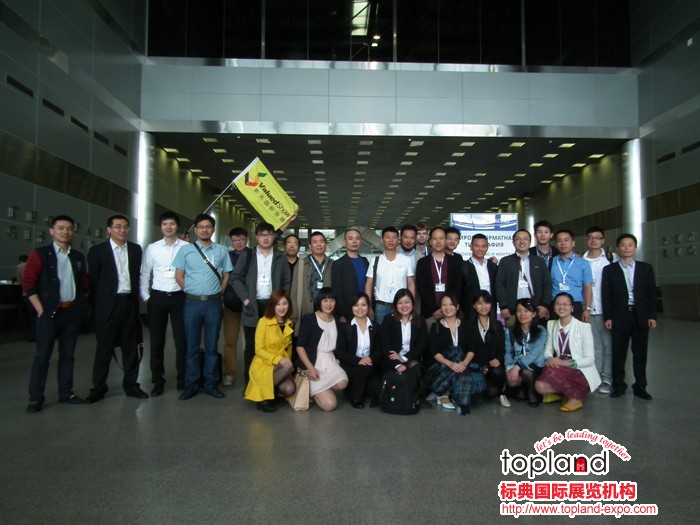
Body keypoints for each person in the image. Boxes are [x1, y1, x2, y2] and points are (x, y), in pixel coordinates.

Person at [23, 215, 89, 412]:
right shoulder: (40, 254)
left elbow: (84, 284)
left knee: (68, 355)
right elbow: (28, 285)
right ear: (52, 231)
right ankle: (36, 398)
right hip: (50, 312)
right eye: (60, 228)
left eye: (69, 228)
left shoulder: (78, 257)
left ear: (73, 232)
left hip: (72, 312)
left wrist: (81, 306)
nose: (65, 232)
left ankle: (66, 392)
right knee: (42, 356)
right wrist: (40, 309)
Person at [85, 215, 146, 404]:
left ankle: (131, 385)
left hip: (129, 304)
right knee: (104, 348)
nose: (122, 230)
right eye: (118, 226)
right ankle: (99, 387)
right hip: (107, 306)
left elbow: (137, 276)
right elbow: (94, 281)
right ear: (109, 229)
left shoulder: (135, 249)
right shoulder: (97, 251)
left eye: (126, 226)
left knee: (130, 346)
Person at [174, 213, 233, 401]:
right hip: (191, 303)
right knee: (191, 347)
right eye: (201, 227)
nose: (205, 230)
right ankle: (191, 385)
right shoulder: (185, 250)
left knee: (211, 346)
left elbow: (227, 274)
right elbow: (179, 275)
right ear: (195, 230)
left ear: (213, 229)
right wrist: (190, 290)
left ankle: (210, 384)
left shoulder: (221, 251)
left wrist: (220, 291)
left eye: (208, 226)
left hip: (214, 304)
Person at [231, 222, 292, 386]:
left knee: (272, 345)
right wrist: (245, 298)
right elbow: (235, 278)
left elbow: (286, 281)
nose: (266, 238)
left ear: (274, 237)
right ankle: (250, 383)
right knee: (251, 347)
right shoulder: (248, 255)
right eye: (262, 235)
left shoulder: (280, 257)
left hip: (274, 307)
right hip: (252, 305)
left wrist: (282, 302)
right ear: (256, 237)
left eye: (269, 234)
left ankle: (271, 382)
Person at [602, 233, 657, 400]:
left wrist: (652, 316)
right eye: (623, 245)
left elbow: (651, 294)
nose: (626, 248)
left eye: (630, 245)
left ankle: (641, 386)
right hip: (619, 316)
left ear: (635, 248)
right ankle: (619, 385)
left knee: (640, 353)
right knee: (618, 353)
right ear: (617, 248)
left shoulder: (645, 268)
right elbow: (606, 295)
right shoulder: (610, 270)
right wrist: (608, 317)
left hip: (640, 315)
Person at [139, 211, 187, 395]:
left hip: (180, 298)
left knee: (181, 341)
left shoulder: (186, 247)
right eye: (165, 224)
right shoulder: (153, 248)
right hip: (157, 298)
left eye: (172, 224)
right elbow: (145, 274)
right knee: (157, 342)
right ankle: (157, 381)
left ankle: (182, 379)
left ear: (177, 226)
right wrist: (146, 297)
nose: (168, 227)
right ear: (160, 227)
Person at [536, 292, 601, 412]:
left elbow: (590, 359)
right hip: (559, 367)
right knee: (539, 386)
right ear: (554, 307)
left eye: (565, 304)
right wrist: (550, 359)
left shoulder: (584, 327)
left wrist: (566, 363)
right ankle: (567, 393)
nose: (561, 307)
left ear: (572, 308)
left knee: (552, 372)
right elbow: (548, 349)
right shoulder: (551, 324)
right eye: (557, 304)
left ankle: (576, 397)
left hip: (579, 369)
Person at [426, 292, 485, 415]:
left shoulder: (466, 325)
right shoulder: (436, 327)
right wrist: (451, 364)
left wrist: (464, 363)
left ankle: (448, 394)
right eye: (444, 305)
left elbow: (471, 349)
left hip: (463, 362)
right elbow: (435, 352)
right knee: (456, 373)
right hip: (443, 364)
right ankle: (452, 397)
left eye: (451, 304)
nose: (447, 308)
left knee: (464, 374)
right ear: (440, 308)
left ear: (457, 307)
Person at [295, 288, 348, 411]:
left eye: (332, 300)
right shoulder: (309, 319)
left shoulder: (336, 319)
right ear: (319, 301)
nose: (329, 304)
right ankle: (314, 390)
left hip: (330, 361)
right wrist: (310, 368)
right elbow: (300, 347)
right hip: (314, 363)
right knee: (330, 405)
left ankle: (323, 389)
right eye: (325, 300)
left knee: (343, 383)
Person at [244, 289, 296, 412]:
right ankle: (264, 398)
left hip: (280, 365)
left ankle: (271, 390)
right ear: (272, 305)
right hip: (263, 363)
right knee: (287, 368)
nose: (281, 308)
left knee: (290, 389)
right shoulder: (263, 322)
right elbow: (259, 350)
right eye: (278, 304)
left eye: (285, 303)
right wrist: (279, 360)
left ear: (289, 305)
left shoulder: (289, 323)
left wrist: (286, 360)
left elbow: (289, 348)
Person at [377, 289, 430, 408]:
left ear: (412, 303)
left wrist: (404, 358)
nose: (404, 306)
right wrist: (397, 364)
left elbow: (421, 345)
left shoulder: (420, 320)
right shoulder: (388, 319)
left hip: (410, 358)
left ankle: (417, 397)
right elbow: (385, 345)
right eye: (400, 303)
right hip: (391, 359)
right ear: (395, 305)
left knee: (417, 368)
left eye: (407, 302)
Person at [496, 229, 552, 326]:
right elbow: (499, 284)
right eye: (518, 239)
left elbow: (547, 284)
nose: (522, 242)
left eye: (525, 239)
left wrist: (544, 304)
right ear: (513, 242)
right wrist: (503, 306)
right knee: (513, 334)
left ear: (530, 242)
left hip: (535, 310)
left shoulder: (539, 261)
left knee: (535, 334)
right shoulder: (505, 261)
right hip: (512, 311)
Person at [335, 292, 380, 408]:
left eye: (363, 305)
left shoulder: (375, 327)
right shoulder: (345, 327)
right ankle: (356, 398)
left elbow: (379, 350)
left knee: (375, 389)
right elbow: (339, 352)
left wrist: (370, 359)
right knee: (364, 371)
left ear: (368, 307)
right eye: (356, 305)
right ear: (351, 307)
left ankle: (355, 389)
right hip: (351, 365)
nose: (360, 308)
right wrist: (358, 361)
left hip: (369, 364)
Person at [583, 226, 613, 394]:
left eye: (598, 237)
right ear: (586, 239)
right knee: (592, 347)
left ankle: (607, 378)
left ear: (603, 240)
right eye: (591, 237)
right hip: (586, 310)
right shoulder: (580, 260)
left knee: (607, 346)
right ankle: (595, 379)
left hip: (604, 310)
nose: (594, 240)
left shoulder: (610, 260)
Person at [415, 226, 463, 330]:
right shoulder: (422, 263)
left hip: (450, 311)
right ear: (430, 241)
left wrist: (448, 307)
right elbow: (421, 288)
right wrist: (435, 309)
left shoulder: (455, 262)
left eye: (441, 238)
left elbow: (458, 286)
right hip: (430, 313)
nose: (438, 242)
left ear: (445, 240)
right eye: (435, 238)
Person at [466, 290, 508, 407]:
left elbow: (501, 346)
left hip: (493, 364)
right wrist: (480, 366)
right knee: (491, 392)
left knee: (497, 371)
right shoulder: (468, 326)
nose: (483, 306)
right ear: (474, 305)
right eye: (479, 303)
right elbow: (468, 348)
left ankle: (502, 393)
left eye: (486, 303)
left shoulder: (498, 325)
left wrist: (498, 359)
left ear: (491, 305)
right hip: (477, 365)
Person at [366, 226, 416, 325]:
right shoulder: (375, 261)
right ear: (382, 240)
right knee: (381, 333)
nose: (391, 240)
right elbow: (368, 285)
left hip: (402, 306)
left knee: (400, 332)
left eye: (394, 237)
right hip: (381, 306)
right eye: (387, 237)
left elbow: (411, 284)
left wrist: (411, 305)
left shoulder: (406, 261)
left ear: (398, 240)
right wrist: (368, 306)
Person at [221, 226, 251, 387]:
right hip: (231, 304)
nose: (239, 242)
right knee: (230, 341)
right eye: (235, 240)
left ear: (247, 240)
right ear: (231, 241)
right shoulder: (226, 256)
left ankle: (251, 372)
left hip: (250, 305)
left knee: (251, 342)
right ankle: (229, 372)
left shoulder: (254, 254)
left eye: (241, 239)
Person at [504, 298, 547, 407]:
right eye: (519, 310)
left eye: (526, 311)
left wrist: (517, 367)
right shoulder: (510, 331)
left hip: (535, 364)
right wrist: (509, 368)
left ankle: (532, 393)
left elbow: (534, 354)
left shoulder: (540, 330)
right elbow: (507, 352)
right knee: (512, 381)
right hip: (516, 364)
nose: (522, 314)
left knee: (527, 371)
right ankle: (522, 388)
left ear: (534, 314)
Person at [291, 231, 334, 329]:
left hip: (327, 308)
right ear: (310, 246)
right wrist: (294, 313)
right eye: (315, 242)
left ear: (325, 244)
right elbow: (294, 290)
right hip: (307, 308)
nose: (319, 244)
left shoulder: (332, 264)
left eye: (321, 241)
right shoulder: (301, 264)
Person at [550, 229, 593, 321]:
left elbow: (588, 287)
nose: (563, 243)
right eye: (559, 241)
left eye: (566, 240)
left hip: (575, 304)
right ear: (556, 244)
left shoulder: (583, 263)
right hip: (555, 305)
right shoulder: (550, 262)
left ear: (573, 243)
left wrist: (587, 309)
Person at [331, 228, 369, 323]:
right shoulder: (338, 264)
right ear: (345, 242)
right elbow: (337, 291)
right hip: (347, 312)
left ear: (360, 242)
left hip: (365, 309)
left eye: (357, 238)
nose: (354, 241)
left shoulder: (365, 262)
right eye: (350, 238)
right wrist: (341, 315)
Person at [462, 233, 499, 315]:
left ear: (487, 248)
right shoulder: (463, 266)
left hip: (490, 308)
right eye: (477, 246)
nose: (480, 249)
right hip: (470, 310)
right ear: (471, 247)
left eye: (483, 246)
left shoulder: (493, 266)